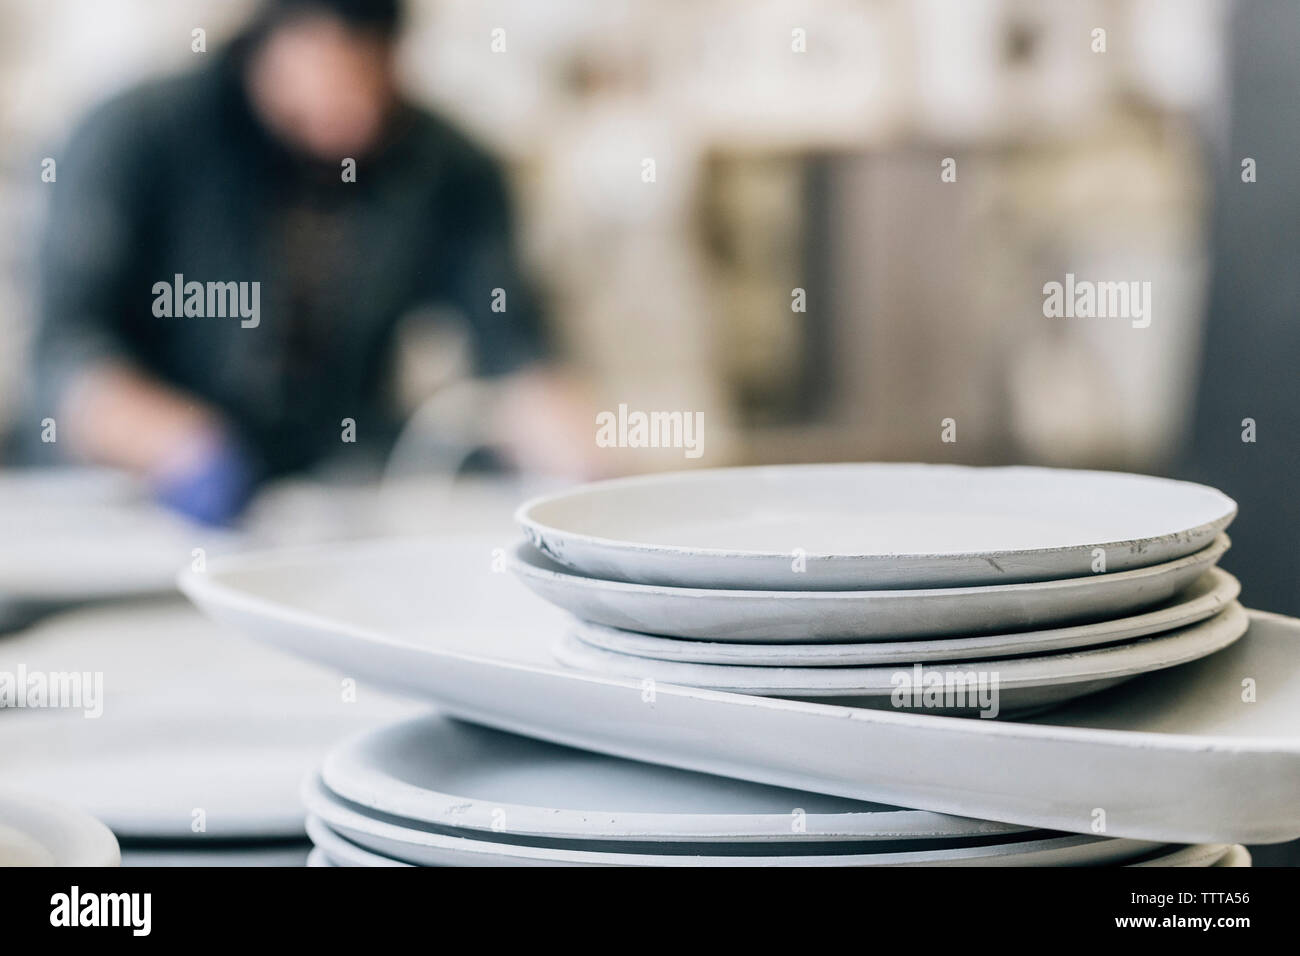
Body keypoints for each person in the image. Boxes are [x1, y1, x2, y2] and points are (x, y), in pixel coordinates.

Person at [32, 0, 593, 524]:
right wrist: (176, 444)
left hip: (321, 505)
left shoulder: (445, 167)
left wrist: (586, 470)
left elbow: (515, 345)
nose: (356, 119)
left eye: (372, 76)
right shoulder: (136, 137)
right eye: (327, 75)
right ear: (266, 42)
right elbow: (64, 350)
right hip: (114, 510)